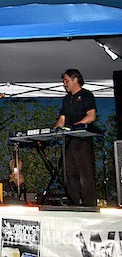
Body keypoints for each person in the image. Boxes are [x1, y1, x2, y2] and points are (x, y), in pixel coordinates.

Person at [53, 68, 97, 206]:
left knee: (85, 175)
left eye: (66, 80)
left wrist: (75, 126)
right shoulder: (66, 99)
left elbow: (91, 116)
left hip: (82, 140)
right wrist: (52, 131)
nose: (64, 83)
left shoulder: (86, 95)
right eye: (63, 81)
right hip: (68, 141)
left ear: (75, 79)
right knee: (69, 175)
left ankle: (89, 206)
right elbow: (62, 119)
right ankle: (74, 205)